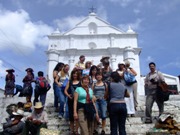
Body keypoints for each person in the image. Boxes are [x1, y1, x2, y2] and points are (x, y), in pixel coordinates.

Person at [64, 69, 81, 135]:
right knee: (71, 116)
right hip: (71, 100)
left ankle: (76, 130)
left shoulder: (80, 82)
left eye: (76, 73)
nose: (75, 75)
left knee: (77, 116)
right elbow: (65, 90)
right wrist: (68, 95)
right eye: (74, 73)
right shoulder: (70, 82)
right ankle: (72, 130)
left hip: (78, 101)